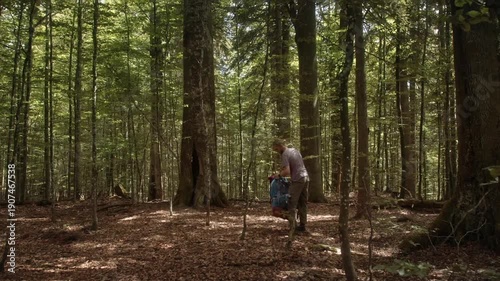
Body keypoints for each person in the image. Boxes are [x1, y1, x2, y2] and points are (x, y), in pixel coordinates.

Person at [272, 139, 309, 232]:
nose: (277, 151)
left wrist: (278, 175)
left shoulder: (285, 154)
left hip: (297, 180)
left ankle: (293, 227)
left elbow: (287, 171)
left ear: (280, 146)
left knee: (291, 202)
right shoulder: (294, 150)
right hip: (305, 177)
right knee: (302, 203)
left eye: (276, 149)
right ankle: (303, 225)